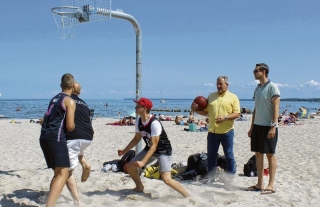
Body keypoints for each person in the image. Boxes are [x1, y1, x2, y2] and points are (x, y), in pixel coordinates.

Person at [118, 97, 190, 198]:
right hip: (149, 148)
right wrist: (125, 150)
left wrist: (143, 162)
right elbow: (136, 139)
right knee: (130, 167)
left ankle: (187, 195)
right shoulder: (139, 122)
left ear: (144, 108)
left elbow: (154, 146)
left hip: (163, 150)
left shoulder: (154, 123)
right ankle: (139, 187)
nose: (135, 107)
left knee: (166, 179)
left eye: (138, 105)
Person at [191, 76, 240, 184]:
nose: (218, 86)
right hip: (212, 131)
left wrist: (225, 117)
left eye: (221, 84)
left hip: (227, 131)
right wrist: (195, 110)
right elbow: (206, 112)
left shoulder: (233, 97)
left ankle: (230, 178)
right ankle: (211, 177)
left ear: (227, 84)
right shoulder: (211, 96)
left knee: (229, 155)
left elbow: (237, 113)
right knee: (211, 156)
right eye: (217, 84)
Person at [39, 73, 76, 207]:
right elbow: (70, 126)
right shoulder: (69, 101)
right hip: (56, 137)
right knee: (63, 173)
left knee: (58, 173)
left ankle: (50, 201)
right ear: (73, 86)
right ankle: (50, 205)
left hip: (44, 136)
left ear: (61, 86)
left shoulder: (54, 99)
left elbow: (46, 118)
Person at [247, 63, 280, 194]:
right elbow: (256, 109)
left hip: (268, 126)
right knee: (258, 154)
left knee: (270, 155)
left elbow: (276, 107)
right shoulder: (257, 88)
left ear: (264, 71)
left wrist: (274, 126)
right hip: (257, 126)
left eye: (256, 71)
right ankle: (260, 183)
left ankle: (271, 185)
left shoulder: (272, 87)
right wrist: (251, 127)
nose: (254, 72)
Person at [65, 82, 94, 205]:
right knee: (78, 150)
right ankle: (84, 163)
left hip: (74, 137)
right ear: (79, 92)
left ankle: (77, 201)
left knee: (65, 172)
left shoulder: (67, 100)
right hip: (88, 136)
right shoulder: (84, 104)